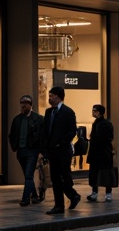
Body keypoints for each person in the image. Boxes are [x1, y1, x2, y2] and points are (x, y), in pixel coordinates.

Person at [43, 86, 81, 215]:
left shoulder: (68, 112)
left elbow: (72, 131)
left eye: (52, 96)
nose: (49, 98)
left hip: (63, 152)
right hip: (52, 152)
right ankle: (59, 205)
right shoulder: (48, 112)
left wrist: (61, 143)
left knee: (64, 177)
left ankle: (73, 195)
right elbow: (46, 132)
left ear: (59, 97)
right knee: (55, 179)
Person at [7, 94, 44, 207]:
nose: (22, 106)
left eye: (25, 104)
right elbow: (12, 134)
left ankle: (25, 198)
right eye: (21, 104)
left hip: (32, 150)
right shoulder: (17, 119)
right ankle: (34, 196)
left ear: (30, 105)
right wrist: (15, 146)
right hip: (21, 151)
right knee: (28, 175)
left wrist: (41, 150)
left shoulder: (38, 119)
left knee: (28, 175)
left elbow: (41, 135)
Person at [86, 104, 114, 203]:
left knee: (103, 172)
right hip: (99, 152)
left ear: (100, 112)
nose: (93, 112)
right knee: (96, 172)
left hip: (101, 152)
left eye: (95, 110)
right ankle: (98, 193)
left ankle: (106, 193)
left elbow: (107, 138)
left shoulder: (104, 124)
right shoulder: (97, 123)